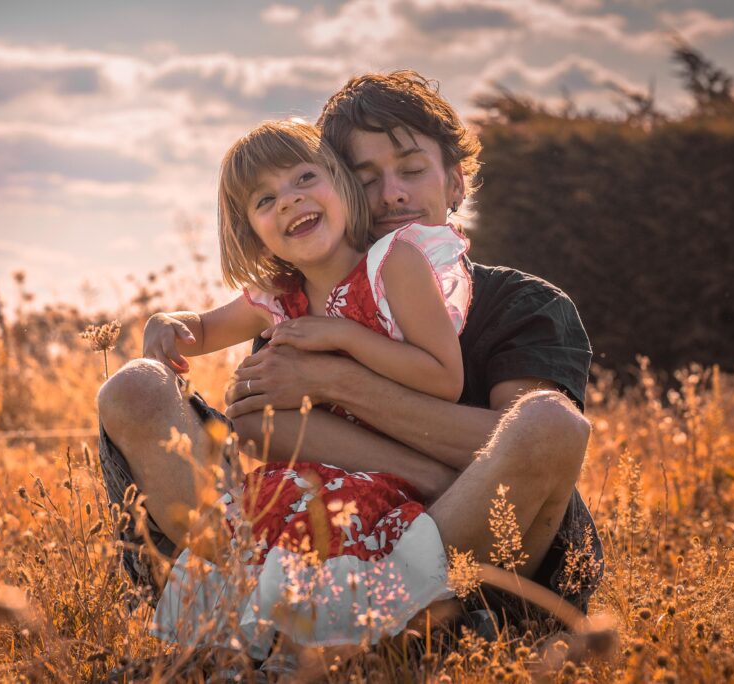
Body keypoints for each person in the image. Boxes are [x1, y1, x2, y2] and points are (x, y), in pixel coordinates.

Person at [98, 70, 602, 649]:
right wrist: (176, 332)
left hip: (474, 551)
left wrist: (333, 376)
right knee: (135, 386)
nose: (391, 194)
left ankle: (410, 624)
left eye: (412, 170)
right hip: (324, 524)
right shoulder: (301, 286)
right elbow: (273, 425)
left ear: (457, 184)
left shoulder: (524, 303)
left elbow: (531, 452)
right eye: (366, 179)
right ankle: (255, 610)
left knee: (550, 421)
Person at [141, 119, 473, 654]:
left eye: (303, 179)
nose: (290, 202)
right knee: (261, 531)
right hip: (303, 475)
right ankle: (247, 651)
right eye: (266, 200)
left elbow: (444, 377)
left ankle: (330, 653)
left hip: (387, 466)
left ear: (341, 183)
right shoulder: (279, 292)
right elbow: (204, 330)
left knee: (339, 573)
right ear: (250, 230)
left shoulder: (394, 264)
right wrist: (169, 321)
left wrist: (343, 335)